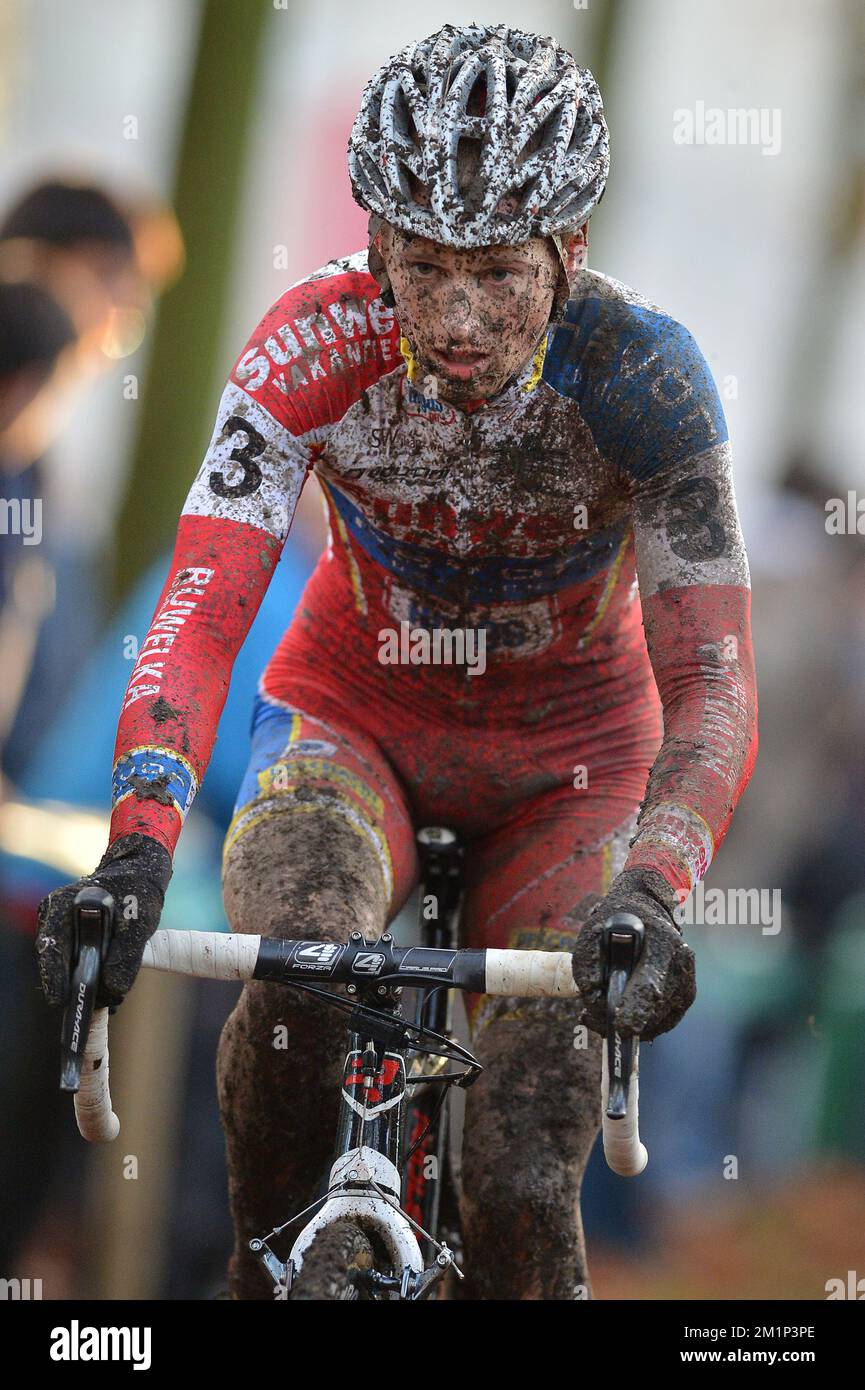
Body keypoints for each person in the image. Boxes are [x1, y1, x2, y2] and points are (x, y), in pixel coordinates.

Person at [36, 24, 758, 1300]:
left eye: (496, 274)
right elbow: (200, 607)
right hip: (350, 718)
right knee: (300, 978)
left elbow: (709, 684)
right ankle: (261, 1272)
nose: (458, 318)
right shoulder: (309, 347)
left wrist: (649, 886)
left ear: (566, 255)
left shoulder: (646, 377)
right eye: (420, 267)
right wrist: (140, 842)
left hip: (571, 770)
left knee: (529, 1176)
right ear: (372, 245)